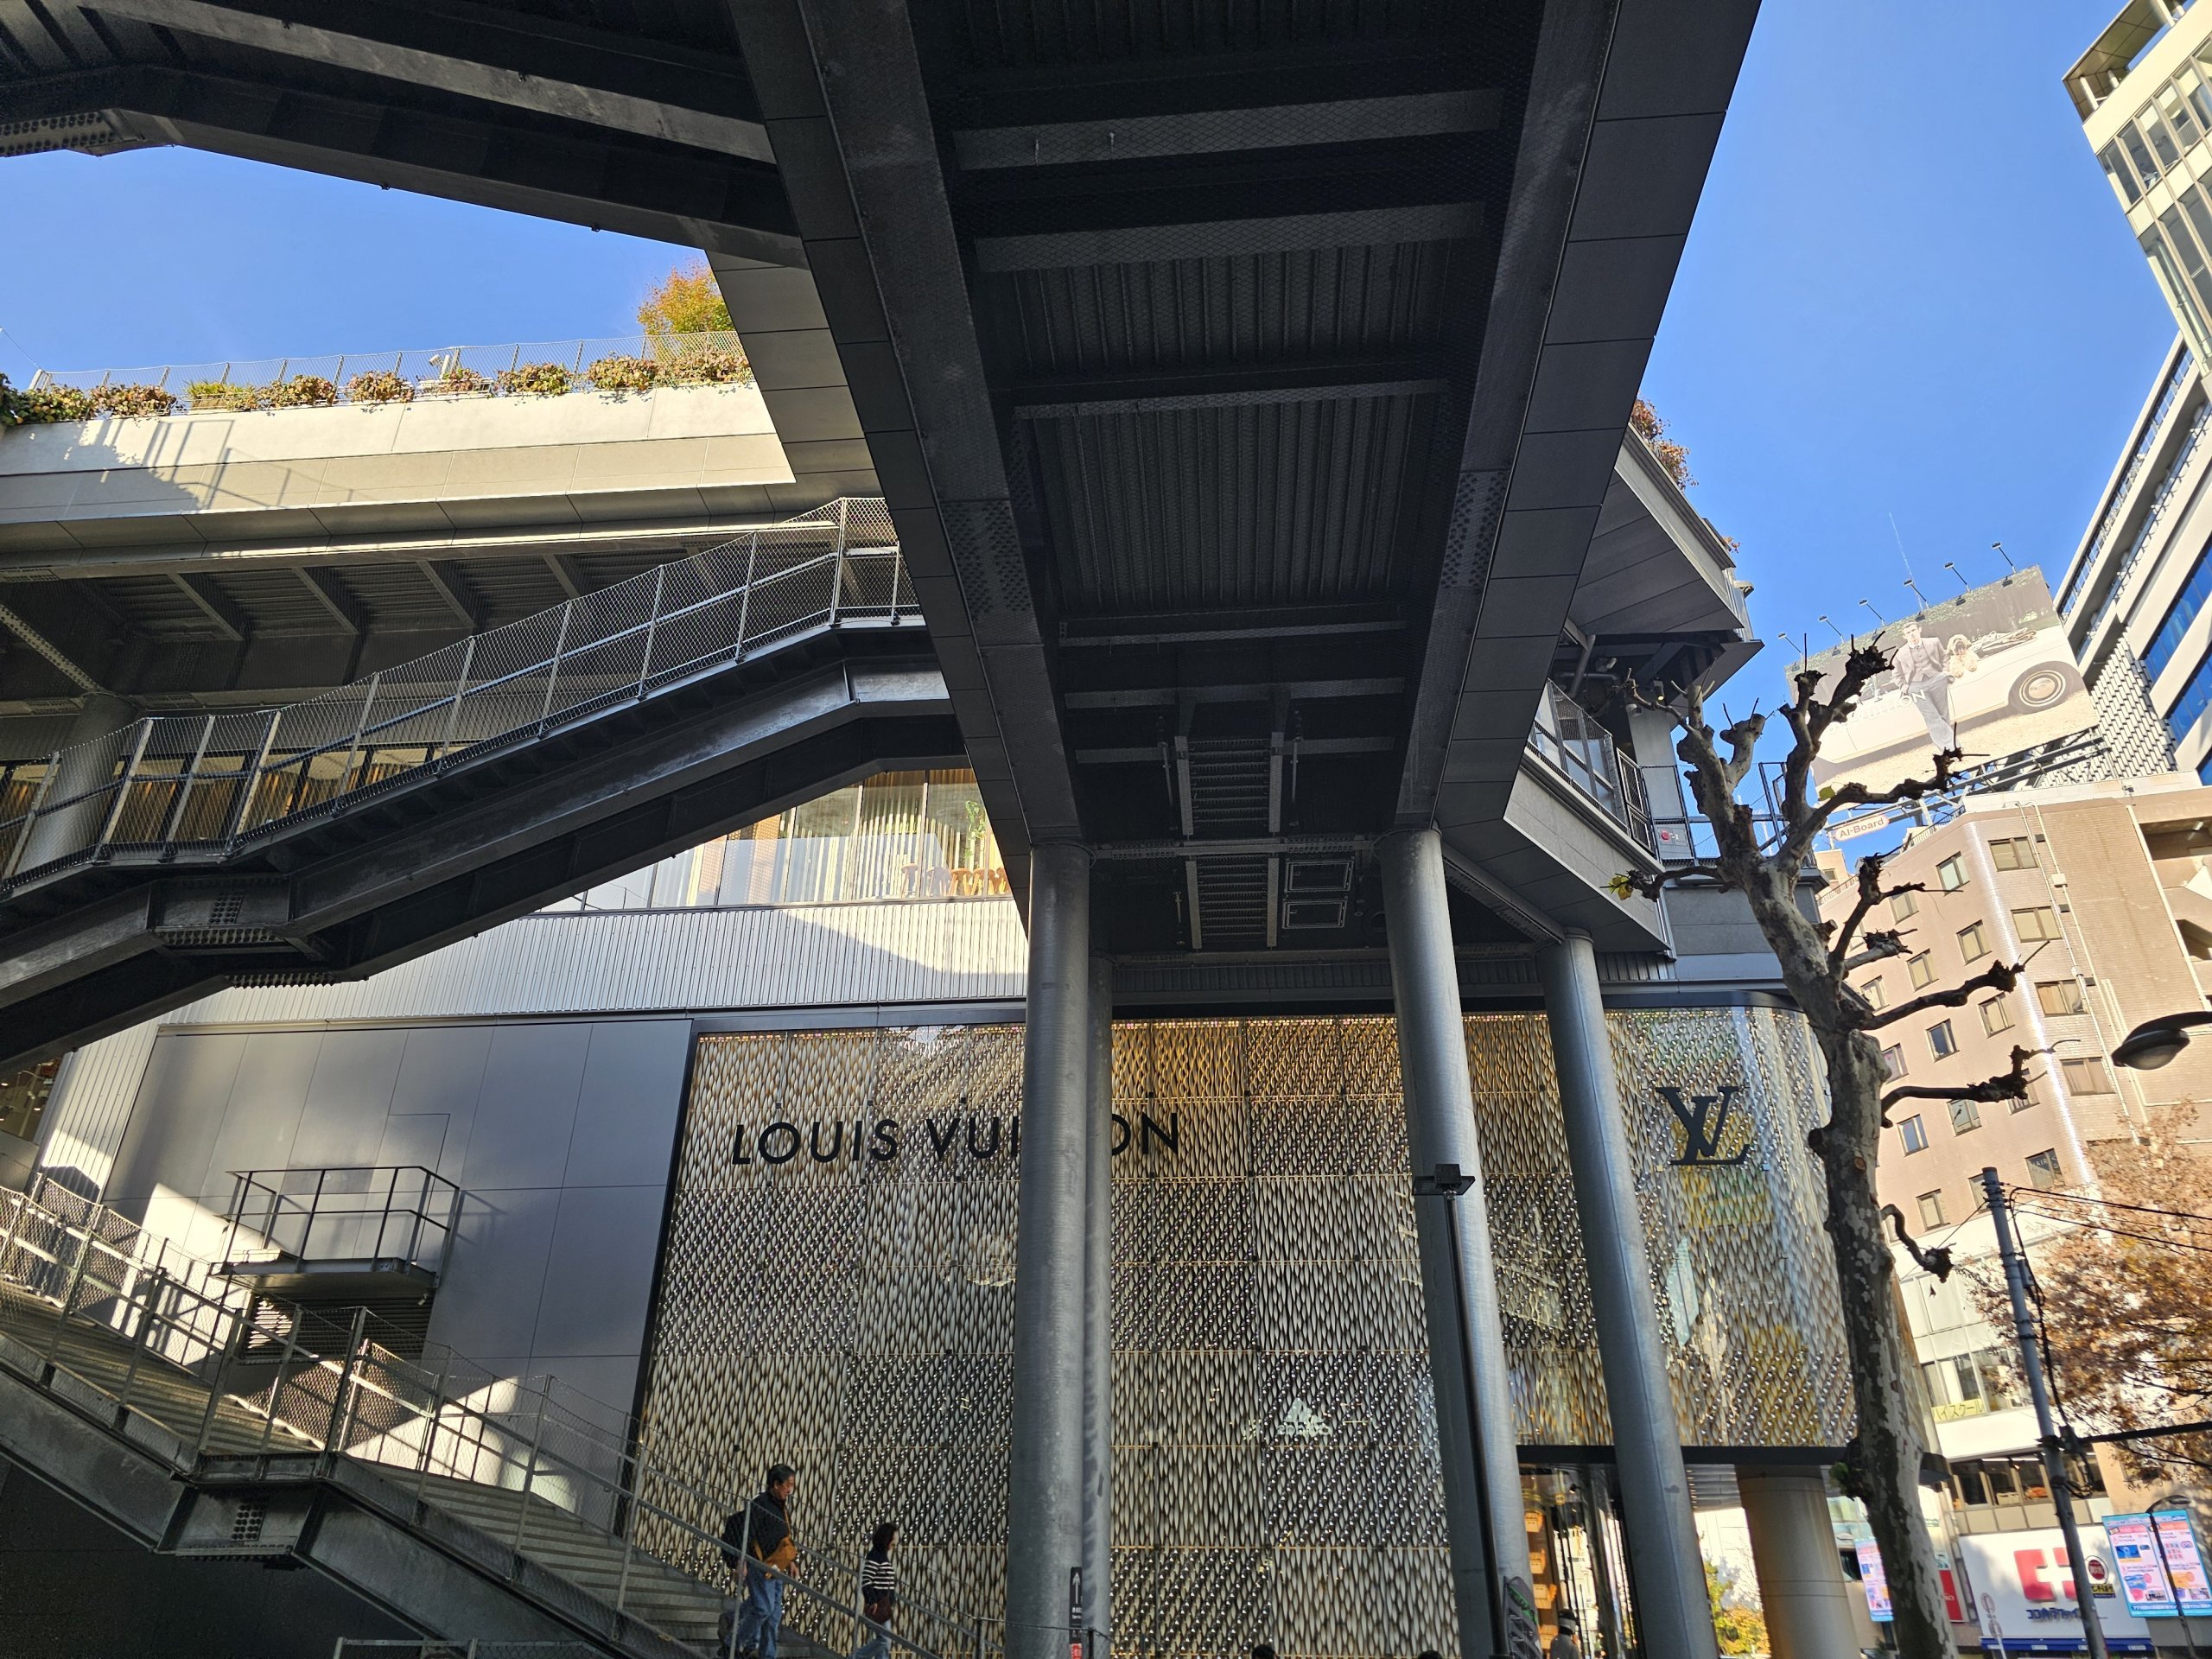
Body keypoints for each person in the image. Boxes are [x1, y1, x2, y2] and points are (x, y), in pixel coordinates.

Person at [721, 1463, 798, 1659]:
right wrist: (742, 1561)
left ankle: (767, 1655)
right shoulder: (760, 1504)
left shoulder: (781, 1507)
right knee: (763, 1608)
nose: (790, 1490)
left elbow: (783, 1537)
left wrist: (790, 1561)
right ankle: (732, 1644)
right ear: (776, 1484)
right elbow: (747, 1534)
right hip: (759, 1565)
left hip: (777, 1567)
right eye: (788, 1485)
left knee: (773, 1616)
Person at [1891, 620, 1956, 753]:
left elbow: (1944, 657)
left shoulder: (1934, 642)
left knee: (1943, 715)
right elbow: (1896, 674)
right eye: (1908, 633)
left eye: (1913, 630)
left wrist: (1944, 673)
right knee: (1932, 718)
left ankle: (1949, 748)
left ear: (1919, 630)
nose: (1912, 634)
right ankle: (1951, 749)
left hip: (1937, 680)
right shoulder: (1900, 654)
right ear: (1904, 636)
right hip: (1916, 687)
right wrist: (1906, 688)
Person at [853, 1520, 899, 1659]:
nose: (894, 1542)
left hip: (884, 1606)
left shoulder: (882, 1556)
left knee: (885, 1645)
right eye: (893, 1539)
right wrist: (872, 1601)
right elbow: (866, 1580)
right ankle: (856, 1657)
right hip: (877, 1606)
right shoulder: (875, 1556)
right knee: (884, 1640)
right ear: (886, 1539)